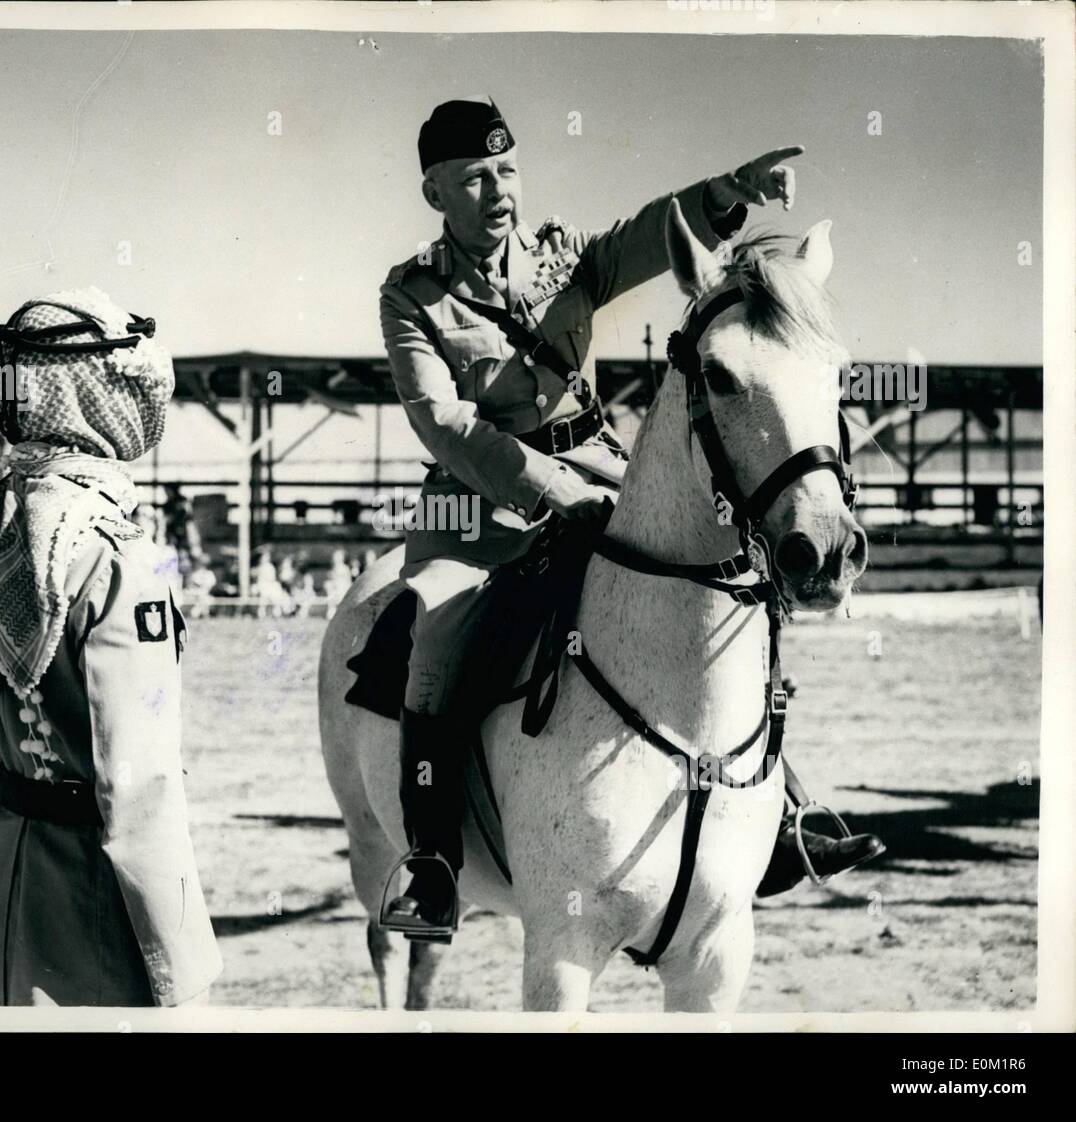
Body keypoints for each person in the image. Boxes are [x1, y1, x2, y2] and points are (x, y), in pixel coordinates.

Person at [378, 97, 883, 937]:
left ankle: (783, 807)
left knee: (732, 585)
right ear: (436, 192)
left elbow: (652, 235)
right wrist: (547, 489)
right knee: (432, 639)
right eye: (474, 179)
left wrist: (734, 192)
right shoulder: (411, 296)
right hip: (477, 507)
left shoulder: (559, 258)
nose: (499, 192)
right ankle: (433, 864)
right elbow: (443, 423)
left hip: (602, 468)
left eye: (508, 171)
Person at [0, 287, 221, 1006]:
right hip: (95, 915)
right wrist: (182, 972)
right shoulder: (122, 554)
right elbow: (139, 787)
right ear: (92, 397)